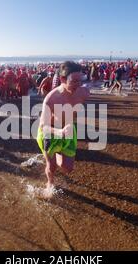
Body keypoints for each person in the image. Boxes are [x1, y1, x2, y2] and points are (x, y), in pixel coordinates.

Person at [37, 61, 90, 198]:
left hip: (69, 130)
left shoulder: (83, 92)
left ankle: (57, 153)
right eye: (74, 81)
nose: (78, 84)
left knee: (68, 168)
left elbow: (86, 88)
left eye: (80, 80)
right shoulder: (51, 98)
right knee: (52, 166)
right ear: (62, 79)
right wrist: (59, 132)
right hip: (51, 133)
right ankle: (50, 183)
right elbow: (43, 126)